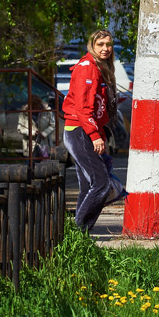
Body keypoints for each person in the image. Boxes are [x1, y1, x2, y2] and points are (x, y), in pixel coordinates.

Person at [62, 29, 123, 233]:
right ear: (92, 46)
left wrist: (101, 136)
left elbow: (97, 110)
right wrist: (95, 136)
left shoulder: (99, 67)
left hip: (86, 131)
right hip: (79, 131)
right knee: (101, 184)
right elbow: (82, 108)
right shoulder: (87, 67)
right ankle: (77, 232)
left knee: (89, 186)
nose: (105, 48)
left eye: (108, 44)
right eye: (100, 45)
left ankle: (79, 237)